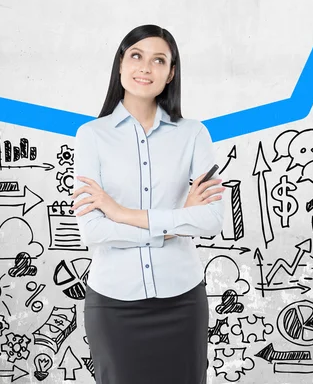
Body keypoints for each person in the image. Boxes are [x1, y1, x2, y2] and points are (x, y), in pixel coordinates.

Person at [71, 24, 226, 384]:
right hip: (113, 302)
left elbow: (212, 220)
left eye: (159, 60)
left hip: (182, 299)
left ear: (171, 73)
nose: (146, 68)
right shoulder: (91, 137)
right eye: (136, 56)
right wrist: (174, 224)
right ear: (121, 66)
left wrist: (122, 213)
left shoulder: (193, 134)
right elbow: (93, 230)